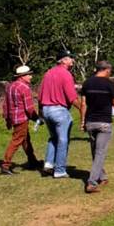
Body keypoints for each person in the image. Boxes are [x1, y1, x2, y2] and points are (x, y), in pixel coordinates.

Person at [80, 61, 114, 194]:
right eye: (110, 70)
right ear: (106, 70)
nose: (110, 73)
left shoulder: (87, 83)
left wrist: (82, 121)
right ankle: (92, 183)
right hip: (104, 122)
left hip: (90, 122)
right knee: (100, 152)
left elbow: (83, 104)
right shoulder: (110, 84)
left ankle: (102, 176)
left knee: (96, 151)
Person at [39, 49, 80, 179]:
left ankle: (49, 164)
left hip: (46, 109)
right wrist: (82, 109)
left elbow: (40, 95)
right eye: (69, 58)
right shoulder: (66, 74)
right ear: (62, 60)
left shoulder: (48, 73)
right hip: (59, 110)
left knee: (53, 138)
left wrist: (40, 113)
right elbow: (72, 97)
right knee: (63, 140)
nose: (72, 60)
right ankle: (60, 170)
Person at [0, 65, 40, 175]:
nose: (31, 77)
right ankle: (6, 165)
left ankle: (33, 161)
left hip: (14, 118)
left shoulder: (10, 86)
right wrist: (37, 118)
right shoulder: (25, 88)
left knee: (25, 140)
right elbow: (29, 108)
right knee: (16, 141)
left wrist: (7, 119)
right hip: (22, 118)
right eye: (29, 75)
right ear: (22, 76)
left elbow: (6, 105)